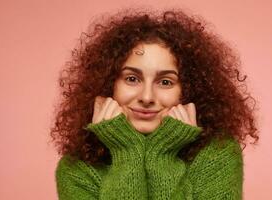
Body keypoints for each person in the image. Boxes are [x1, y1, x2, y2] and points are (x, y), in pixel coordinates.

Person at [50, 8, 259, 199]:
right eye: (132, 79)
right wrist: (127, 151)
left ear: (188, 91)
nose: (147, 97)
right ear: (107, 84)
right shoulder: (76, 169)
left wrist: (162, 154)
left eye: (165, 82)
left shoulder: (217, 154)